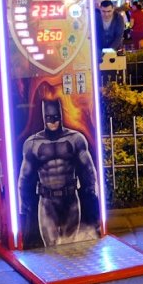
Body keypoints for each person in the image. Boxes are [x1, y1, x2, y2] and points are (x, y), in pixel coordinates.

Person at [18, 99, 100, 247]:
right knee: (51, 246)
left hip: (71, 199)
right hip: (47, 202)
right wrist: (24, 205)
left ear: (61, 116)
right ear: (44, 118)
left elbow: (88, 170)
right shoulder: (33, 143)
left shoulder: (75, 139)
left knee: (70, 244)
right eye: (49, 118)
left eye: (56, 117)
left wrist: (92, 195)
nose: (53, 122)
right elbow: (25, 177)